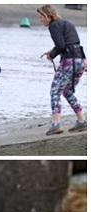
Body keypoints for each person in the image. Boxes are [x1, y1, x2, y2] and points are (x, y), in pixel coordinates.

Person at [38, 5, 86, 135]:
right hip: (81, 60)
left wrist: (51, 55)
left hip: (69, 62)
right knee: (67, 91)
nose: (40, 20)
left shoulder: (53, 25)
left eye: (42, 16)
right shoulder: (67, 23)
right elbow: (68, 44)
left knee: (55, 91)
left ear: (48, 15)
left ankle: (56, 124)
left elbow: (60, 45)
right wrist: (53, 51)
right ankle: (82, 122)